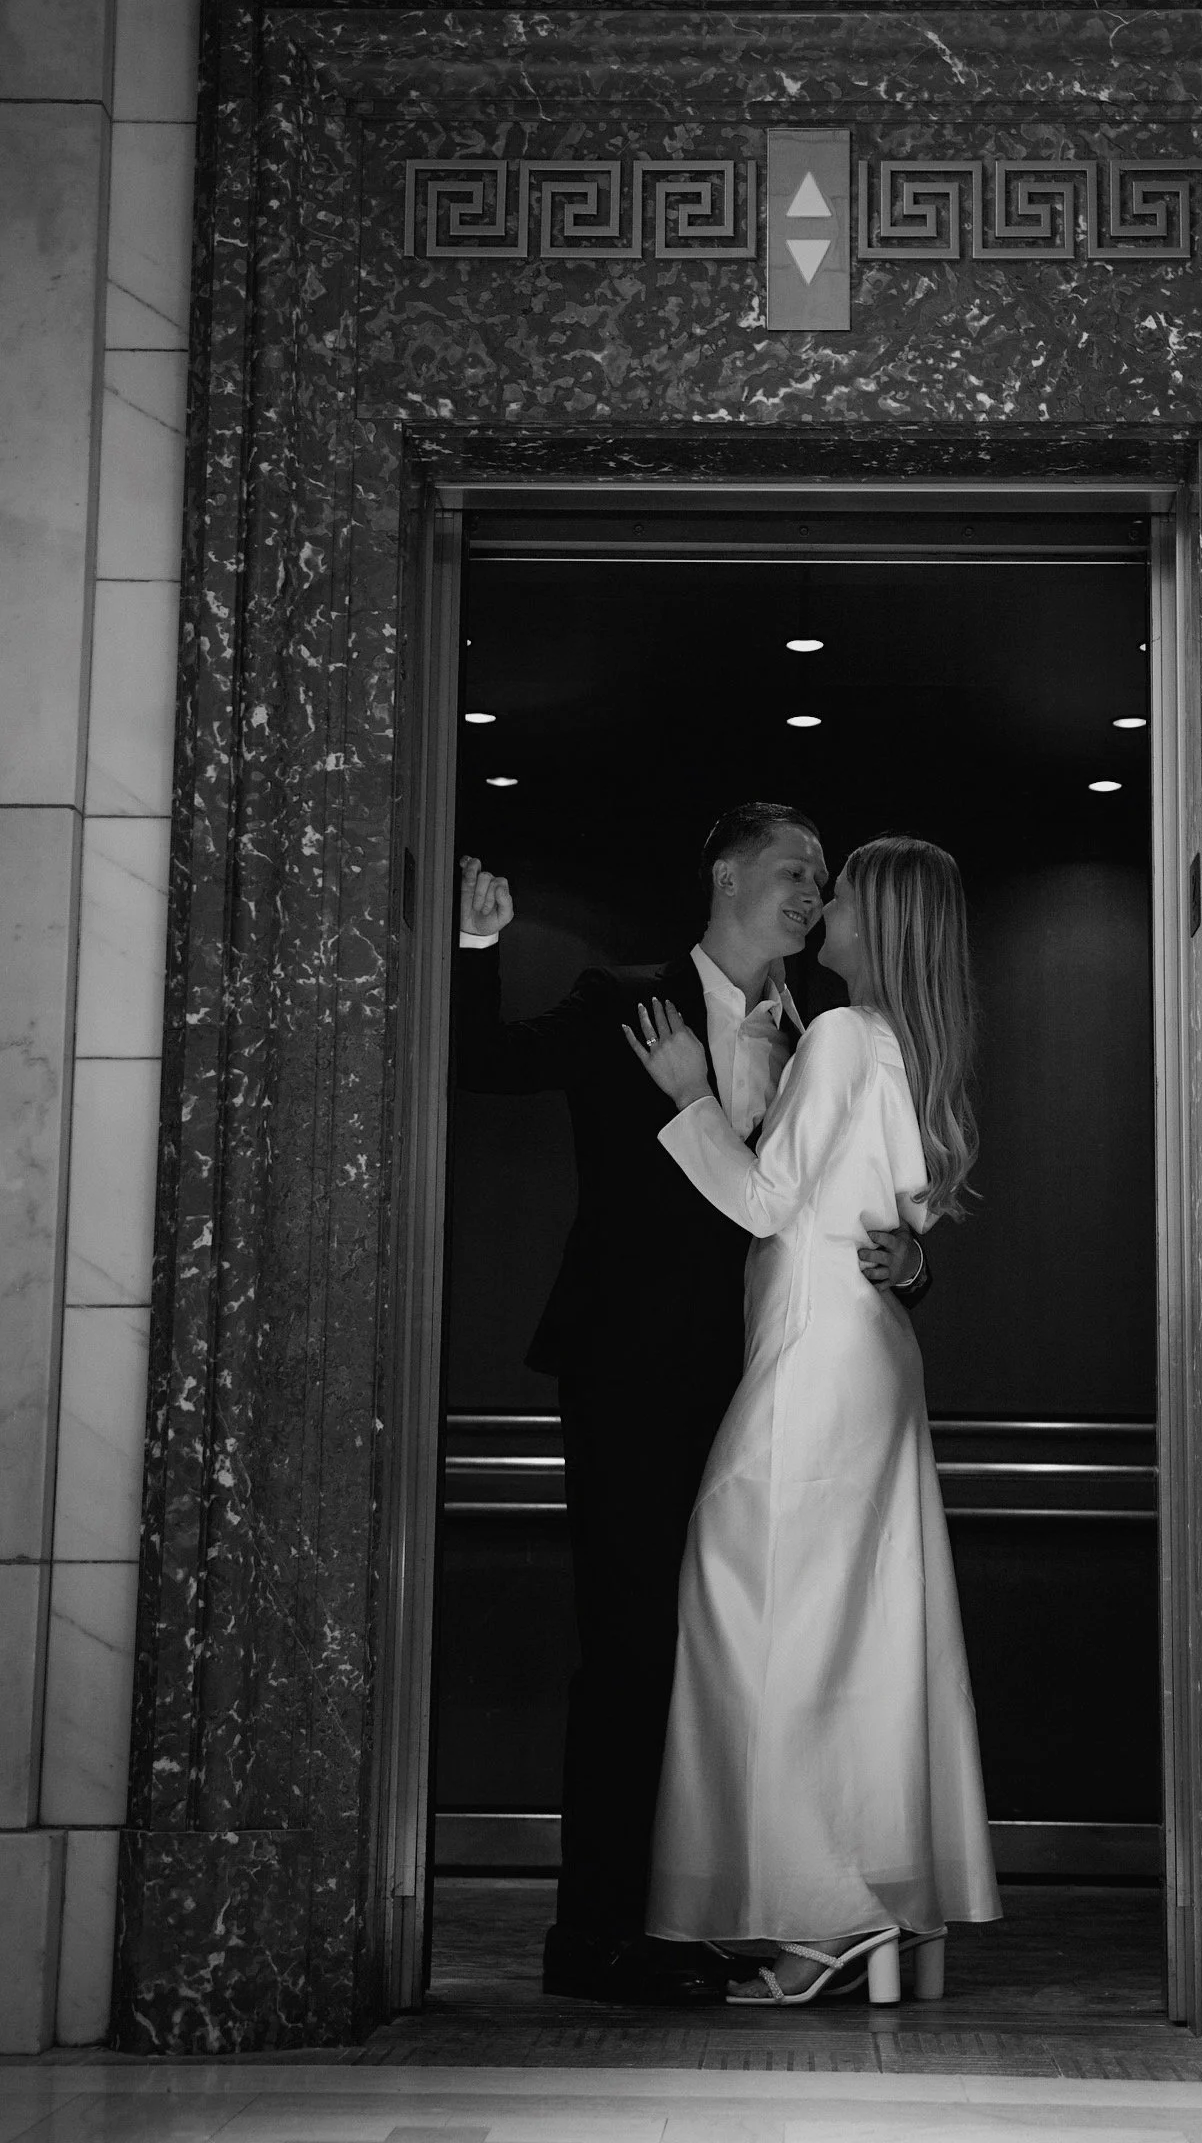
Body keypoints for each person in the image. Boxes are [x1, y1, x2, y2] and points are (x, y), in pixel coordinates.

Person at [454, 802, 931, 2006]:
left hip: (764, 1385)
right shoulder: (625, 1001)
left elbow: (859, 1202)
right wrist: (473, 951)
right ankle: (599, 1937)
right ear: (723, 872)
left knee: (733, 1661)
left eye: (824, 878)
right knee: (627, 1651)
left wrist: (913, 1263)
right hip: (626, 1377)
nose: (813, 892)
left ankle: (702, 1914)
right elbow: (485, 1065)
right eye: (793, 869)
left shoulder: (826, 1034)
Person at [625, 834, 1001, 2008]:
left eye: (841, 895)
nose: (822, 905)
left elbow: (766, 1201)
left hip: (813, 1359)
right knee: (866, 1634)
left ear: (876, 924)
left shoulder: (841, 1035)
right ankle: (889, 1912)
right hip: (874, 1355)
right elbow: (908, 1216)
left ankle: (818, 1918)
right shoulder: (909, 1044)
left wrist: (690, 1091)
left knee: (766, 1623)